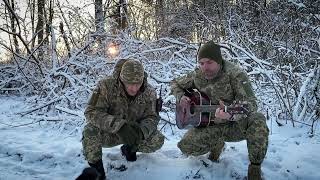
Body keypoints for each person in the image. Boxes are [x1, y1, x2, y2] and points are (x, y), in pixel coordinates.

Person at [171, 41, 269, 180]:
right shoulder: (198, 75)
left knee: (258, 120)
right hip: (211, 124)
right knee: (185, 146)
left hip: (235, 126)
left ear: (218, 61)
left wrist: (230, 114)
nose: (205, 67)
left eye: (209, 62)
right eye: (202, 63)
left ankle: (255, 167)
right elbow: (175, 83)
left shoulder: (235, 74)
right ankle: (217, 145)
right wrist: (181, 97)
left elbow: (251, 103)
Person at [82, 59, 165, 180]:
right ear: (122, 80)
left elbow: (152, 117)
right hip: (110, 133)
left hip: (133, 134)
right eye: (130, 83)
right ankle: (97, 172)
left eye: (138, 83)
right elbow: (91, 112)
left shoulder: (149, 91)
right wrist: (119, 126)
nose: (134, 88)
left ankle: (129, 149)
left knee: (157, 139)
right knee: (89, 131)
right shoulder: (105, 86)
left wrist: (141, 132)